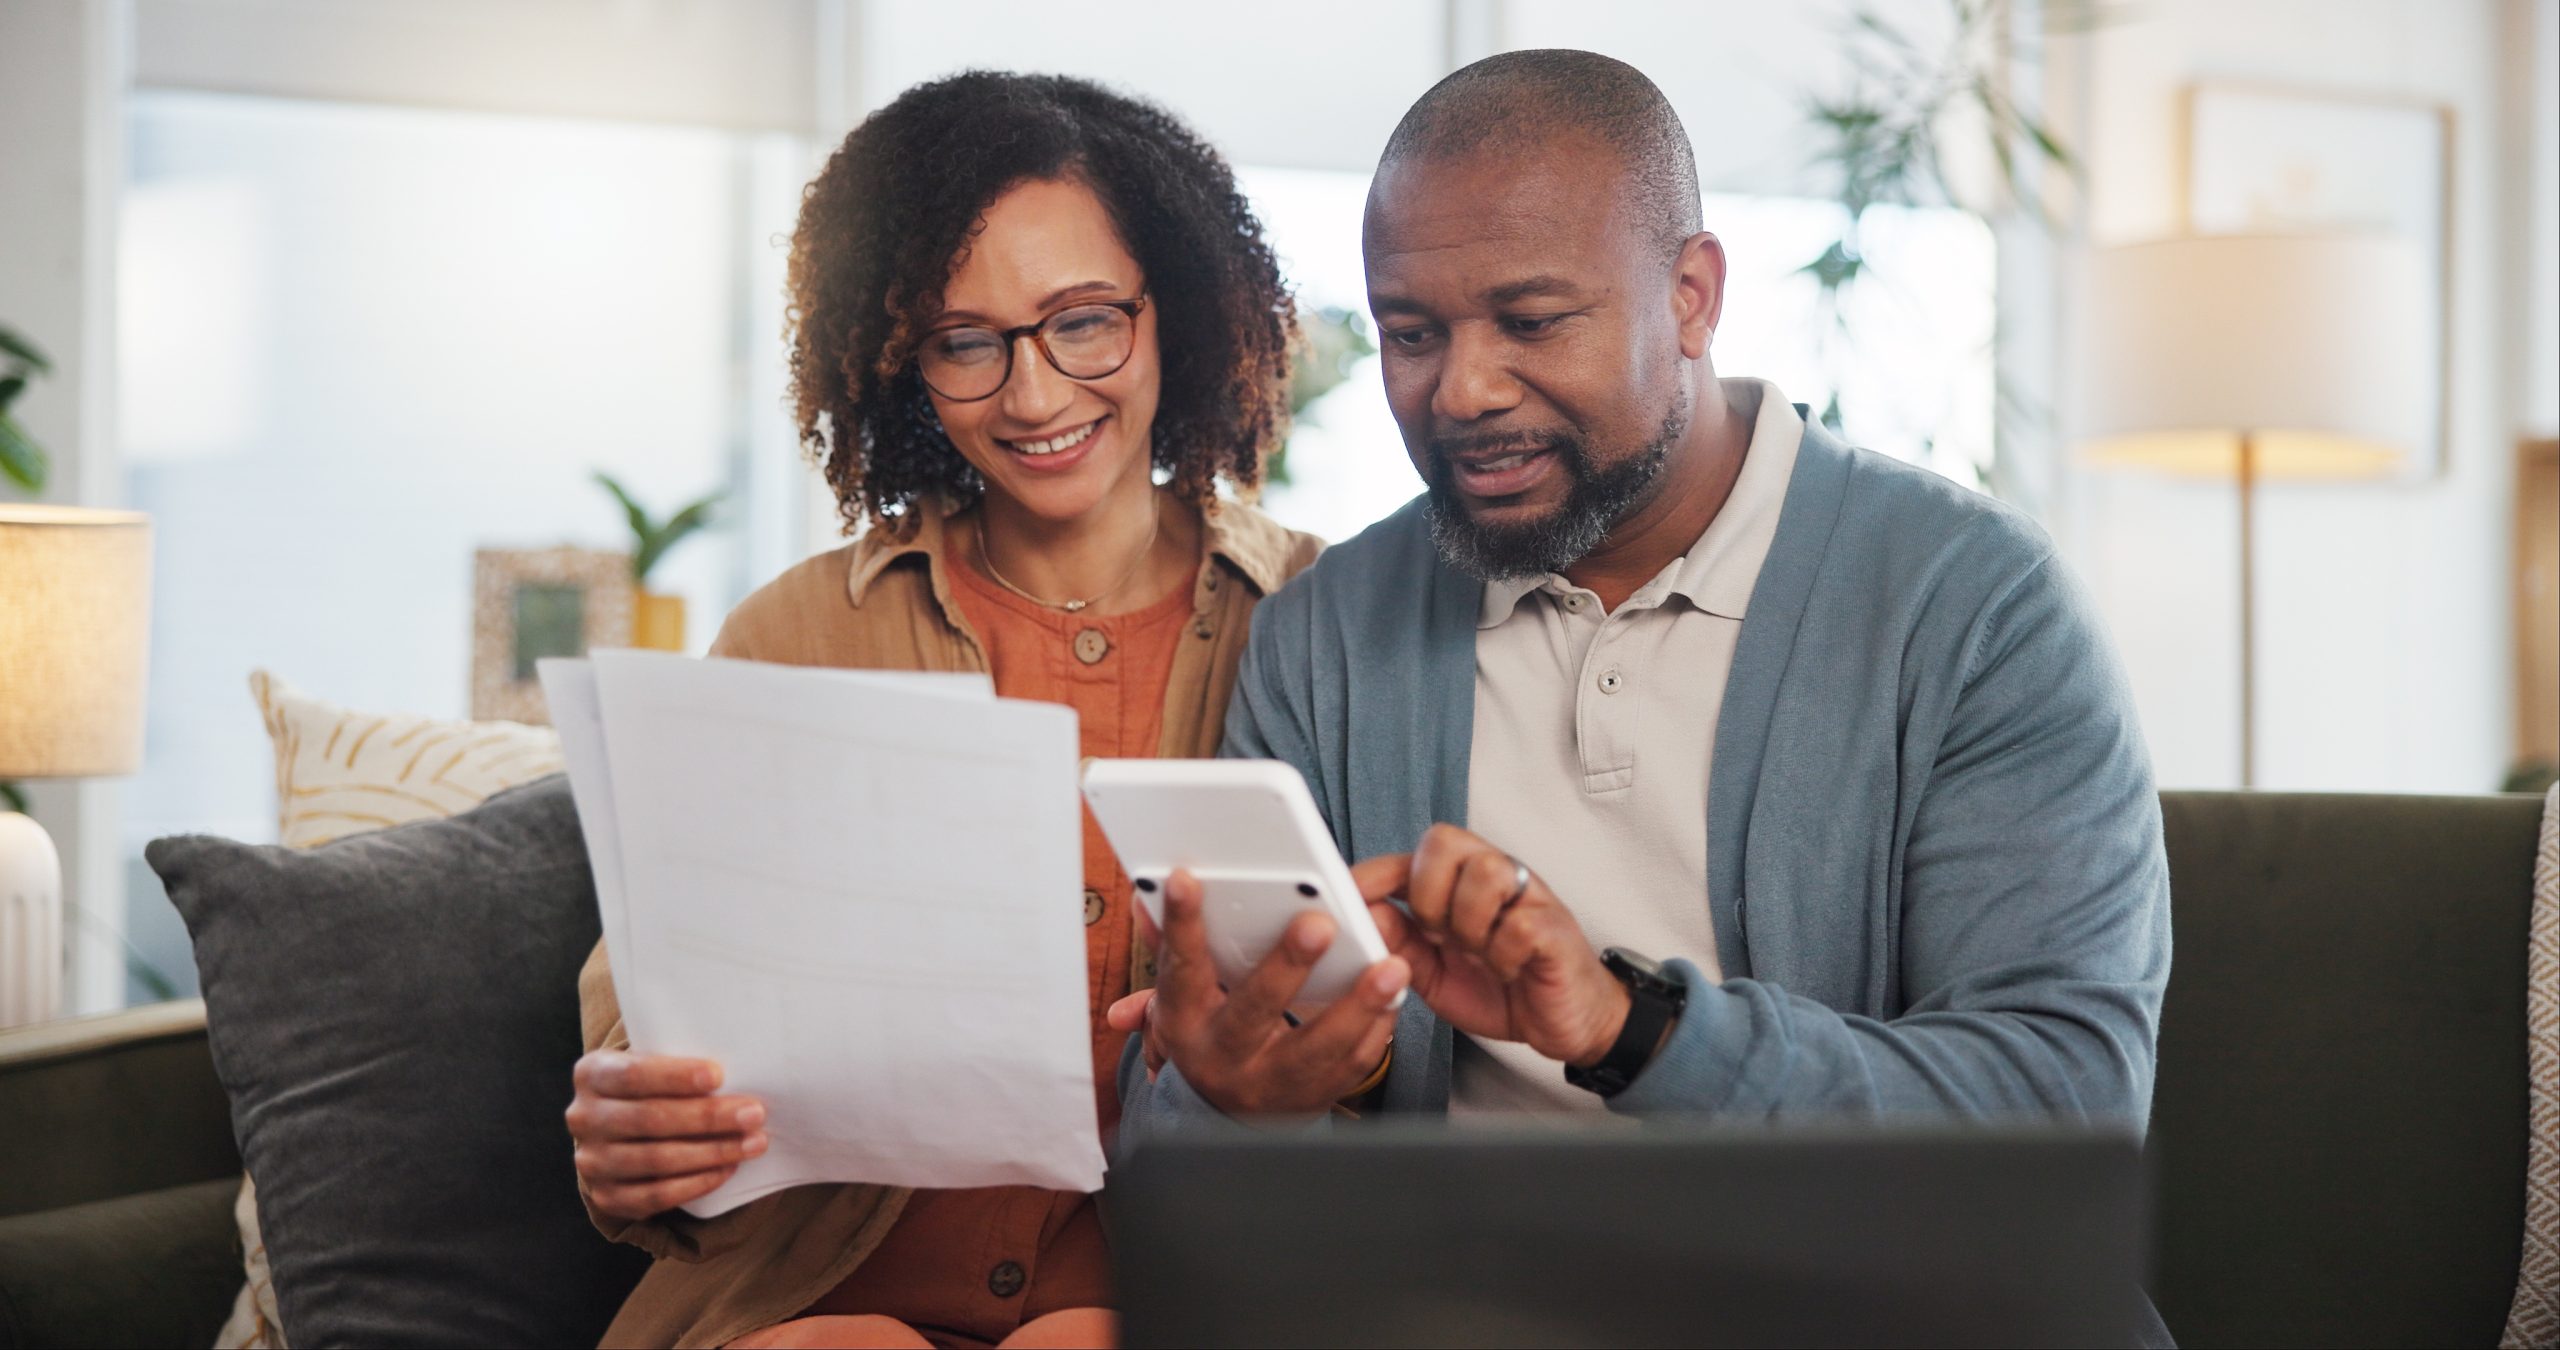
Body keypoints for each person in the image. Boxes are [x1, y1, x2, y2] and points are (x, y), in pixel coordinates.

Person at [1113, 49, 2170, 1158]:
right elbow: (1176, 1155)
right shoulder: (1326, 631)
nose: (1462, 391)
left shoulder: (1971, 606)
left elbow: (2066, 1110)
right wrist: (1243, 1092)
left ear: (1692, 297)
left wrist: (1634, 1030)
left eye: (1530, 321)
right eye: (1411, 334)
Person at [561, 72, 1320, 1350]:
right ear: (899, 360)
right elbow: (652, 1022)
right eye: (965, 342)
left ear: (1173, 313)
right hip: (804, 1299)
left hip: (1160, 1287)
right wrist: (636, 1137)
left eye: (1083, 322)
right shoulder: (794, 634)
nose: (1031, 396)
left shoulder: (1312, 620)